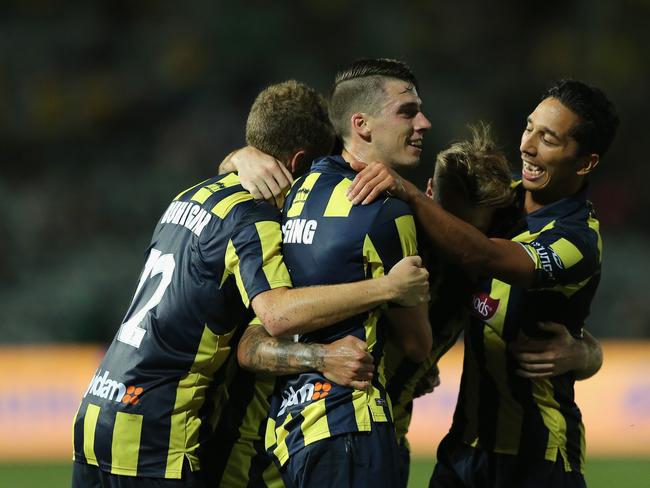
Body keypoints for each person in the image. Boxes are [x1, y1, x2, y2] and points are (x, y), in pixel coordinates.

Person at [70, 80, 430, 488]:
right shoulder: (254, 220)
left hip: (98, 410)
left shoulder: (188, 196)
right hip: (156, 433)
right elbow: (276, 313)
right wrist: (388, 288)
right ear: (298, 163)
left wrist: (236, 158)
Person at [346, 79, 619, 487]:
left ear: (585, 162)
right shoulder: (495, 201)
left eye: (548, 138)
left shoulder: (577, 238)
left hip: (536, 458)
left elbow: (482, 256)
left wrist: (586, 354)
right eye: (529, 127)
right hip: (463, 453)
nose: (527, 145)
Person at [257, 58, 434, 488]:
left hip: (288, 427)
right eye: (407, 112)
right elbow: (416, 343)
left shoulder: (287, 192)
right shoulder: (386, 211)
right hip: (352, 423)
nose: (424, 123)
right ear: (362, 124)